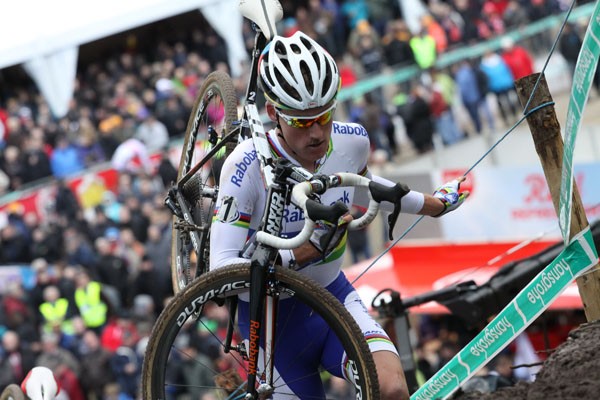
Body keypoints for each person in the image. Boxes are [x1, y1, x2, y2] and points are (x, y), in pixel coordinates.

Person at [209, 31, 469, 399]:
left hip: (332, 295)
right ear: (273, 114)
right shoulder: (246, 165)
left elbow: (369, 184)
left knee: (392, 389)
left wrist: (434, 205)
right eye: (301, 123)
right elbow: (219, 272)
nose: (316, 133)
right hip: (269, 324)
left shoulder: (352, 141)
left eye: (324, 117)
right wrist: (300, 253)